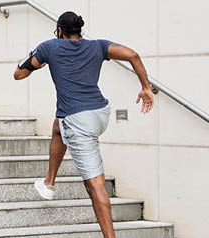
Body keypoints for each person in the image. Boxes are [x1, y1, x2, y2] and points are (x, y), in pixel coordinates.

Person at [13, 11, 153, 238]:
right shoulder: (98, 46)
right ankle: (49, 182)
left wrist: (34, 59)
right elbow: (133, 55)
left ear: (60, 31)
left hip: (79, 121)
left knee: (94, 185)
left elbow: (18, 74)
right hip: (99, 113)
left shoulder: (49, 48)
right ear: (79, 31)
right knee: (59, 125)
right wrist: (146, 87)